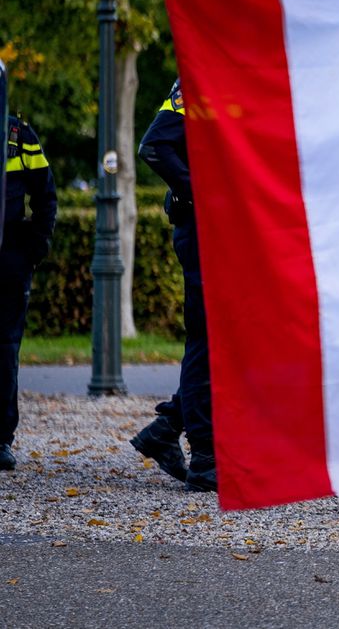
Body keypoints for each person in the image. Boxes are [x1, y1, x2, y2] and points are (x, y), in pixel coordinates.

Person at [129, 79, 216, 491]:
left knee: (226, 343)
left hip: (226, 232)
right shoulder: (202, 79)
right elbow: (154, 146)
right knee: (207, 342)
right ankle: (204, 459)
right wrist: (203, 193)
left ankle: (166, 429)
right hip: (203, 230)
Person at [0, 115, 57, 472]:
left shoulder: (19, 135)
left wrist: (32, 250)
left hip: (9, 259)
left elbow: (45, 195)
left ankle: (1, 438)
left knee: (5, 348)